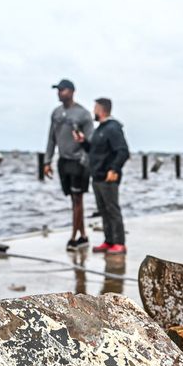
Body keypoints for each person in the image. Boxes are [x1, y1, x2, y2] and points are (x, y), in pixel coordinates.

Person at [73, 97, 130, 255]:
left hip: (108, 177)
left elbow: (123, 151)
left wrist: (114, 169)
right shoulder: (100, 129)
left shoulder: (113, 128)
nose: (93, 111)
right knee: (103, 211)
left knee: (112, 210)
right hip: (97, 176)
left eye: (95, 108)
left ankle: (119, 243)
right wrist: (83, 142)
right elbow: (95, 151)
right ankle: (109, 240)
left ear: (102, 109)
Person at [44, 79, 95, 250]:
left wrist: (83, 142)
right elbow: (51, 138)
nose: (59, 93)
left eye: (62, 90)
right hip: (63, 161)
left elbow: (91, 141)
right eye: (58, 90)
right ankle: (83, 235)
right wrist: (47, 161)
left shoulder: (83, 114)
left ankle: (74, 238)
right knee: (73, 201)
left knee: (78, 199)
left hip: (79, 161)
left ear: (72, 91)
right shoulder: (56, 113)